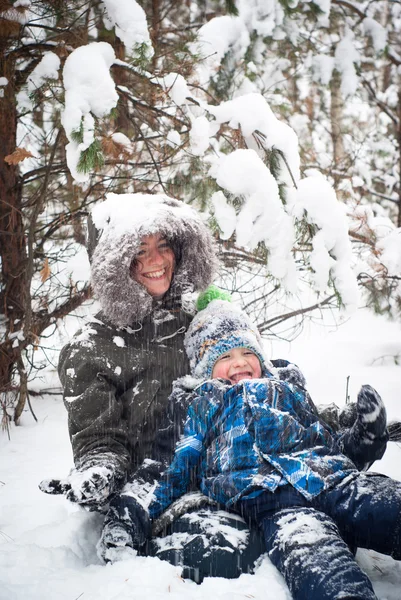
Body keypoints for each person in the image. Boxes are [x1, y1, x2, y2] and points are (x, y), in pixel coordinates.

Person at [38, 192, 266, 580]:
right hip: (152, 492)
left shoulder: (201, 319)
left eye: (163, 246)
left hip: (227, 471)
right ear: (116, 261)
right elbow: (99, 439)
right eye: (139, 251)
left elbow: (255, 385)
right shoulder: (91, 345)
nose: (156, 261)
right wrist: (100, 472)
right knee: (231, 556)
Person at [123, 299, 398, 600]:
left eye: (247, 352)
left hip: (332, 480)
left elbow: (327, 441)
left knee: (387, 506)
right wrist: (132, 514)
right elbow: (170, 467)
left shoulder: (286, 390)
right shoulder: (201, 403)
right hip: (275, 505)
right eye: (224, 355)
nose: (239, 362)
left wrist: (364, 439)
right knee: (325, 574)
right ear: (204, 368)